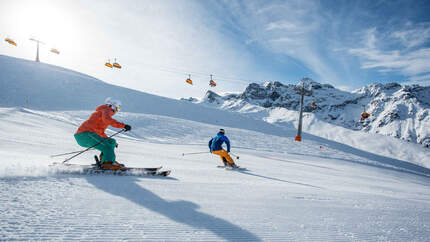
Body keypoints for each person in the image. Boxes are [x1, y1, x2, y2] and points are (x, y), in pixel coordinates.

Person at [74, 98, 131, 170]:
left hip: (87, 135)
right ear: (113, 106)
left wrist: (110, 142)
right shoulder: (106, 110)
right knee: (107, 147)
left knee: (111, 142)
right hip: (85, 134)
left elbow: (101, 132)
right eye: (118, 108)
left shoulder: (103, 112)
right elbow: (107, 120)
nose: (117, 110)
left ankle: (106, 160)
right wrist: (123, 126)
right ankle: (108, 163)